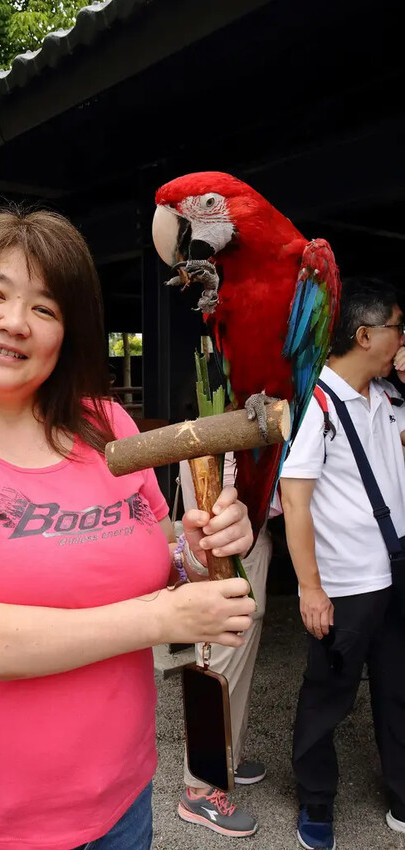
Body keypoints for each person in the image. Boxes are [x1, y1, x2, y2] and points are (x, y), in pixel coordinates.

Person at [0, 207, 257, 850]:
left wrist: (195, 550)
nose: (15, 322)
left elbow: (158, 558)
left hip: (122, 799)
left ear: (66, 332)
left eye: (45, 309)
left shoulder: (106, 425)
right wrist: (162, 619)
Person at [280, 276, 405, 850]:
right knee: (329, 692)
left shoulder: (388, 396)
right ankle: (317, 801)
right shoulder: (316, 404)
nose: (402, 339)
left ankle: (401, 793)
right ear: (364, 334)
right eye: (397, 328)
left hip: (395, 573)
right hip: (348, 582)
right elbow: (295, 498)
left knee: (397, 687)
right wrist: (310, 588)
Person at [177, 453, 280, 837]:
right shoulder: (216, 423)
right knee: (219, 666)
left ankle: (225, 760)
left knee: (238, 662)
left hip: (249, 542)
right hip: (225, 552)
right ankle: (199, 788)